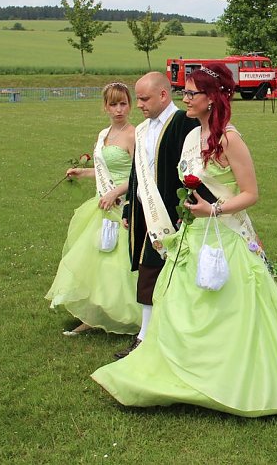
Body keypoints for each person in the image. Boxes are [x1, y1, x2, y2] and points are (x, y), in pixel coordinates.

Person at [91, 63, 277, 420]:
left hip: (224, 236)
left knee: (230, 309)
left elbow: (251, 194)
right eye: (184, 92)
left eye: (191, 93)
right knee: (182, 305)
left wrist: (213, 210)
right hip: (192, 236)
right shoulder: (189, 137)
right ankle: (184, 372)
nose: (185, 98)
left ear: (211, 99)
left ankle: (232, 376)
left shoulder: (230, 139)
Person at [45, 82, 141, 336]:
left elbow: (139, 174)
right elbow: (102, 172)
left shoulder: (134, 134)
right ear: (105, 107)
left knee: (119, 264)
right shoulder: (103, 135)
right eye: (113, 104)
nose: (119, 109)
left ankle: (134, 316)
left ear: (130, 105)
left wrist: (114, 192)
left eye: (123, 103)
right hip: (102, 205)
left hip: (123, 206)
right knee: (98, 261)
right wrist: (82, 172)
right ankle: (94, 315)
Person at [114, 72, 198, 358]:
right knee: (148, 271)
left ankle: (168, 336)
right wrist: (129, 206)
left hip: (172, 213)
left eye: (144, 98)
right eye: (138, 98)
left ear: (164, 95)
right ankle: (145, 335)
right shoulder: (141, 130)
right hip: (145, 212)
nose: (139, 104)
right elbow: (136, 171)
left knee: (175, 274)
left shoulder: (184, 124)